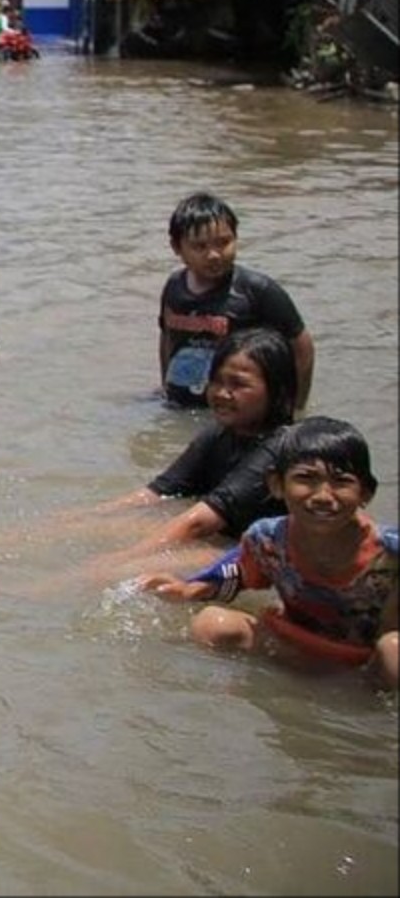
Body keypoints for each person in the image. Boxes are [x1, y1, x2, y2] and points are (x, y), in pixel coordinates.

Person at [136, 417, 398, 689]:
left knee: (394, 649)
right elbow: (238, 571)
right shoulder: (268, 538)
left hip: (364, 666)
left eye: (341, 482)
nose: (323, 495)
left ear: (366, 493)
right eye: (305, 479)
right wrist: (191, 589)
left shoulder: (392, 551)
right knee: (212, 623)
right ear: (276, 484)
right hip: (292, 645)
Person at [97, 327, 300, 561]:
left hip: (262, 557)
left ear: (278, 391)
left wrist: (118, 560)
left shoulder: (281, 448)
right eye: (216, 381)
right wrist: (77, 519)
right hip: (220, 539)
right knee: (107, 526)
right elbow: (157, 493)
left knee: (128, 569)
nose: (222, 393)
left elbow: (197, 524)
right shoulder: (218, 434)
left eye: (238, 384)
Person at [157, 191, 314, 410]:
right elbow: (167, 338)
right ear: (177, 247)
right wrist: (165, 385)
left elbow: (301, 346)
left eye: (223, 242)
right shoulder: (174, 287)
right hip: (182, 401)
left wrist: (295, 408)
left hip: (235, 410)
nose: (214, 255)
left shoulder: (257, 290)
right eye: (200, 247)